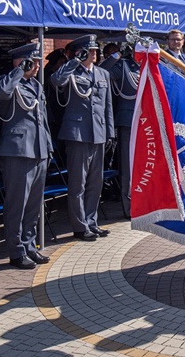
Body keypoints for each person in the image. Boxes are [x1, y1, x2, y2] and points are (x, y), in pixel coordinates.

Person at [0, 43, 52, 270]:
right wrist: (18, 71)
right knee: (17, 204)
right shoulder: (7, 82)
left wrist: (47, 146)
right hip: (18, 151)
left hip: (38, 150)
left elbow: (42, 119)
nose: (37, 66)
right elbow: (1, 93)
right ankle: (16, 250)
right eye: (33, 62)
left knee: (34, 204)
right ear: (21, 61)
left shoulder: (35, 85)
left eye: (37, 62)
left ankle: (29, 244)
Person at [51, 34, 115, 241]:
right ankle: (80, 226)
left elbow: (107, 107)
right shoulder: (71, 72)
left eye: (96, 50)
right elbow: (55, 80)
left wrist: (110, 133)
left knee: (95, 183)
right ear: (81, 52)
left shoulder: (102, 73)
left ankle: (91, 221)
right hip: (77, 134)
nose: (95, 53)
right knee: (78, 184)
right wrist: (74, 61)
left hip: (98, 133)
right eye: (91, 51)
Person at [107, 44, 139, 219]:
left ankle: (143, 203)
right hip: (127, 122)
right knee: (128, 166)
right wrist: (117, 55)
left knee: (144, 164)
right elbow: (102, 72)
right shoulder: (124, 66)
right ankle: (130, 207)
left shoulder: (149, 66)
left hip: (145, 122)